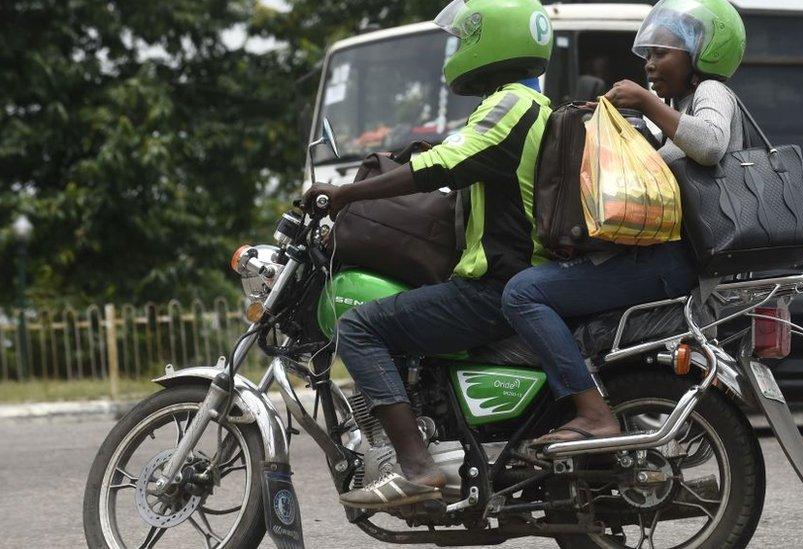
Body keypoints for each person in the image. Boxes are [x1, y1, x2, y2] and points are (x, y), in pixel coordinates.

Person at [302, 0, 554, 510]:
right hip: (511, 279)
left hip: (495, 286)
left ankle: (416, 468)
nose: (457, 50)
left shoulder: (513, 102)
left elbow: (450, 161)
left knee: (359, 328)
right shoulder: (527, 105)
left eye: (464, 39)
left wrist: (348, 194)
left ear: (494, 41)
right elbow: (455, 155)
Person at [501, 0, 747, 446]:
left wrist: (646, 102)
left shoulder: (712, 93)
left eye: (663, 53)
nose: (650, 63)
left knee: (523, 293)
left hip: (673, 260)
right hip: (660, 255)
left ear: (702, 54)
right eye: (648, 54)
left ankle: (592, 413)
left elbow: (710, 145)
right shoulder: (677, 105)